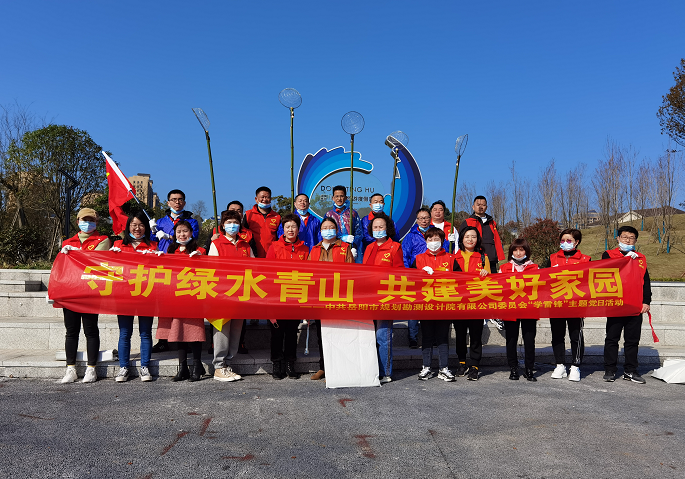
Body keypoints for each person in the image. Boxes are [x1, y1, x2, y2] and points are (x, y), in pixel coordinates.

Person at [58, 208, 111, 384]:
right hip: (71, 292)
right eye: (83, 220)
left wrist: (76, 253)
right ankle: (70, 368)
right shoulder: (68, 241)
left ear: (96, 222)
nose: (87, 223)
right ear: (77, 221)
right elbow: (62, 266)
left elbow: (98, 260)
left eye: (91, 220)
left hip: (90, 291)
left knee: (90, 330)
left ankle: (91, 369)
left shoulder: (102, 240)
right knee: (71, 331)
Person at [109, 210, 159, 383]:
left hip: (146, 294)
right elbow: (109, 268)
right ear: (128, 226)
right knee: (125, 333)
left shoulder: (153, 246)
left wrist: (158, 256)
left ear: (146, 227)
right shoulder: (118, 245)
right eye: (134, 225)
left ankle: (144, 366)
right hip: (124, 295)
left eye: (141, 225)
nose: (137, 228)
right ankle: (124, 367)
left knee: (145, 333)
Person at [156, 220, 207, 382]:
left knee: (194, 332)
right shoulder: (171, 250)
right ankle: (183, 367)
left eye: (185, 231)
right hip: (176, 296)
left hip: (193, 296)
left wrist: (201, 259)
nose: (182, 234)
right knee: (178, 331)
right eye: (178, 231)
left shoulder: (200, 250)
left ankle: (197, 365)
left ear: (191, 233)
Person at [150, 189, 199, 354]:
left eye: (180, 200)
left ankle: (187, 339)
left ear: (184, 203)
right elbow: (151, 241)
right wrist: (153, 232)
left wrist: (170, 237)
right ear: (168, 202)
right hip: (164, 267)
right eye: (173, 200)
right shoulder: (160, 222)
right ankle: (163, 340)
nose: (177, 202)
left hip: (185, 269)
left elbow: (191, 238)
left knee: (185, 305)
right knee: (164, 305)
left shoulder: (191, 222)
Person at [207, 210, 254, 382]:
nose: (232, 225)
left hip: (240, 294)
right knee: (222, 330)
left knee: (236, 329)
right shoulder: (217, 244)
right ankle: (218, 366)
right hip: (222, 295)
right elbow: (211, 270)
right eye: (228, 222)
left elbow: (254, 267)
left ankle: (227, 363)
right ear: (223, 225)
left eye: (235, 222)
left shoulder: (245, 245)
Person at [602, 226, 651, 384]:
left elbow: (646, 282)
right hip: (616, 304)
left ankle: (630, 370)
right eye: (624, 237)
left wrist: (646, 301)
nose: (628, 240)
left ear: (635, 240)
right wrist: (625, 260)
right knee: (612, 338)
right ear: (618, 238)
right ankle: (610, 369)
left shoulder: (640, 258)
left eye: (631, 238)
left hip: (635, 305)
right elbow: (604, 273)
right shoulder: (608, 254)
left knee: (632, 340)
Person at [308, 217, 355, 380]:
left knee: (340, 333)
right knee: (322, 334)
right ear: (320, 231)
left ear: (336, 230)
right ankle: (323, 367)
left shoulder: (345, 248)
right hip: (320, 297)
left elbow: (351, 274)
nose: (328, 229)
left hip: (339, 297)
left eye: (331, 227)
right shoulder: (314, 249)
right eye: (325, 227)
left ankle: (340, 367)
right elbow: (308, 274)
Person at [266, 213, 309, 380]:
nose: (291, 230)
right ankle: (277, 364)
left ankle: (291, 364)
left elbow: (309, 274)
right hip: (277, 296)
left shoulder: (305, 249)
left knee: (292, 333)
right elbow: (268, 273)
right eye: (287, 227)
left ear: (298, 229)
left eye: (294, 226)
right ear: (282, 230)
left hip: (295, 296)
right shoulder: (274, 247)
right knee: (277, 333)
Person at [363, 211, 404, 383]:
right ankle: (371, 370)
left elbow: (400, 271)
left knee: (383, 336)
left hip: (385, 297)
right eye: (375, 227)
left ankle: (385, 371)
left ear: (387, 229)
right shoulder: (370, 247)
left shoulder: (395, 247)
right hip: (368, 297)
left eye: (381, 226)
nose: (378, 229)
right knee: (369, 336)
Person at [411, 227, 456, 382]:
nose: (433, 242)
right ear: (426, 241)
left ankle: (444, 368)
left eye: (436, 239)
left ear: (442, 241)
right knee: (428, 336)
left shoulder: (451, 258)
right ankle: (426, 367)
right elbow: (409, 279)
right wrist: (420, 273)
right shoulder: (419, 258)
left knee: (443, 337)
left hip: (444, 303)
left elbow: (461, 280)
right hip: (426, 304)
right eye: (430, 239)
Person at [402, 208, 449, 348]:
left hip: (436, 275)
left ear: (430, 219)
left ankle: (435, 337)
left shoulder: (437, 234)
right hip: (417, 275)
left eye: (426, 218)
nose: (424, 220)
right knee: (415, 307)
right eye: (421, 218)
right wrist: (408, 273)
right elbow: (405, 256)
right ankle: (413, 337)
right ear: (417, 220)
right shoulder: (410, 236)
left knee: (433, 306)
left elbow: (445, 251)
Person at [548, 228, 591, 382]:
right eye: (562, 240)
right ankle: (560, 365)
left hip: (576, 304)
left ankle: (575, 366)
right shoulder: (552, 258)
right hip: (556, 304)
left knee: (576, 336)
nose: (565, 243)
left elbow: (590, 282)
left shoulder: (586, 259)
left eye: (569, 240)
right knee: (557, 335)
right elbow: (541, 280)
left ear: (577, 242)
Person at [452, 226, 491, 381]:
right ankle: (462, 363)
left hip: (476, 303)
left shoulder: (483, 258)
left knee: (475, 336)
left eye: (473, 236)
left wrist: (486, 274)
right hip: (459, 303)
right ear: (461, 239)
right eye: (467, 236)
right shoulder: (453, 257)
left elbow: (490, 280)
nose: (470, 239)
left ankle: (474, 365)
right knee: (460, 335)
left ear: (478, 239)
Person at [500, 238, 539, 381]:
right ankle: (513, 368)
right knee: (511, 339)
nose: (518, 253)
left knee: (529, 340)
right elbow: (498, 288)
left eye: (521, 249)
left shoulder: (535, 268)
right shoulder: (504, 268)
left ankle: (529, 369)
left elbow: (541, 288)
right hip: (510, 308)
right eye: (515, 250)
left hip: (529, 309)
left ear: (526, 251)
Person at [458, 196, 505, 273]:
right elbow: (460, 240)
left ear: (486, 207)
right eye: (478, 204)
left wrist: (498, 256)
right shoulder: (467, 222)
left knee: (492, 282)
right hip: (474, 258)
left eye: (483, 205)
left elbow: (496, 240)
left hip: (491, 258)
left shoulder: (492, 223)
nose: (480, 207)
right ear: (473, 207)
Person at [325, 185, 363, 263]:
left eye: (342, 196)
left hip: (350, 248)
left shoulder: (353, 213)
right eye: (337, 196)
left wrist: (354, 247)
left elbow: (359, 232)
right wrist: (341, 237)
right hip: (334, 249)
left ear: (346, 198)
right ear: (333, 198)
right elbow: (325, 233)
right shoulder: (329, 215)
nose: (339, 199)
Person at [245, 186, 281, 258]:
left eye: (267, 197)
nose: (264, 199)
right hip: (253, 255)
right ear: (256, 199)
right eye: (262, 197)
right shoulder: (248, 215)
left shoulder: (277, 216)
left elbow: (280, 236)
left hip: (271, 255)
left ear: (270, 199)